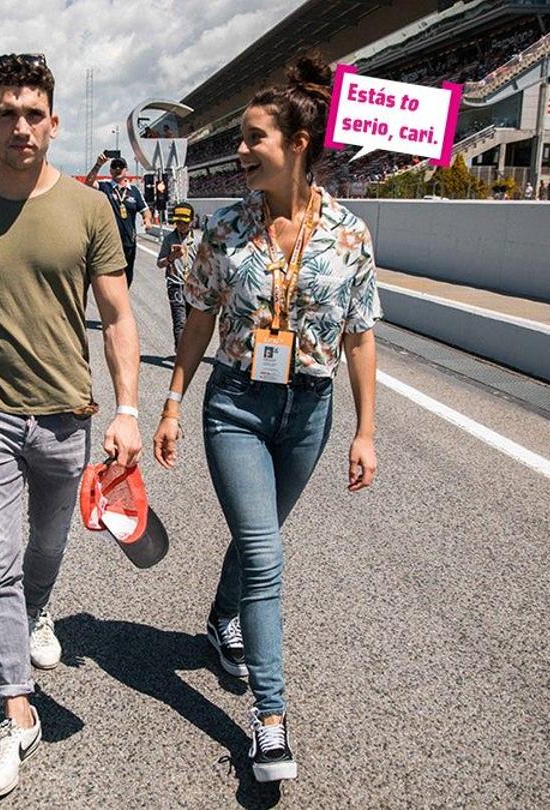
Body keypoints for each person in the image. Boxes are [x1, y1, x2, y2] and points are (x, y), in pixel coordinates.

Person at [152, 57, 380, 783]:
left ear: (298, 142)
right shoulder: (224, 230)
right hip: (237, 408)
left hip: (309, 409)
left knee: (260, 543)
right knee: (266, 556)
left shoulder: (350, 234)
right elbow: (197, 320)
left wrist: (365, 430)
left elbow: (360, 334)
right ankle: (271, 720)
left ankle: (222, 621)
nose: (241, 152)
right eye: (241, 139)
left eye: (254, 139)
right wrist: (172, 402)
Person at [0, 53, 140, 800]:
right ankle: (15, 712)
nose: (21, 126)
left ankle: (40, 610)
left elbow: (116, 316)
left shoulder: (88, 208)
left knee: (45, 548)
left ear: (52, 121)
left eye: (33, 113)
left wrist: (130, 410)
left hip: (65, 419)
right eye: (7, 114)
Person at [85, 155, 149, 286]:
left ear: (126, 170)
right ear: (110, 171)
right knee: (109, 277)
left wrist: (147, 220)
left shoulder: (134, 191)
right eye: (114, 166)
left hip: (128, 242)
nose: (117, 169)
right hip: (109, 242)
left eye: (121, 166)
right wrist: (98, 165)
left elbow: (145, 210)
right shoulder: (105, 186)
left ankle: (121, 302)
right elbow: (88, 183)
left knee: (127, 277)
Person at [155, 201, 198, 351]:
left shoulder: (198, 241)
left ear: (192, 221)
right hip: (176, 285)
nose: (180, 225)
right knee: (180, 321)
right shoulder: (169, 239)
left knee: (193, 323)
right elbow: (159, 263)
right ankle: (180, 353)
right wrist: (171, 257)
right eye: (177, 222)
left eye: (184, 222)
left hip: (194, 286)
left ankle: (190, 353)